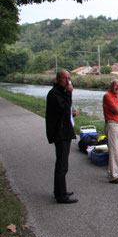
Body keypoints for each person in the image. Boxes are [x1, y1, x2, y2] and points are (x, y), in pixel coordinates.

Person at [46, 70, 79, 204]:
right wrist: (70, 93)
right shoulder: (54, 93)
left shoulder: (59, 92)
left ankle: (59, 191)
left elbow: (64, 111)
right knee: (62, 165)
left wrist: (72, 114)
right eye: (65, 78)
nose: (68, 81)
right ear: (58, 79)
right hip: (60, 133)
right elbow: (63, 108)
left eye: (69, 78)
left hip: (63, 131)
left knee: (62, 163)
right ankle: (61, 196)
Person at [103, 79, 118, 184]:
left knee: (116, 149)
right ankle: (113, 176)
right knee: (114, 151)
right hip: (112, 125)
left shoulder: (117, 96)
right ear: (111, 86)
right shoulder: (107, 96)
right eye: (116, 85)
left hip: (117, 125)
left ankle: (113, 171)